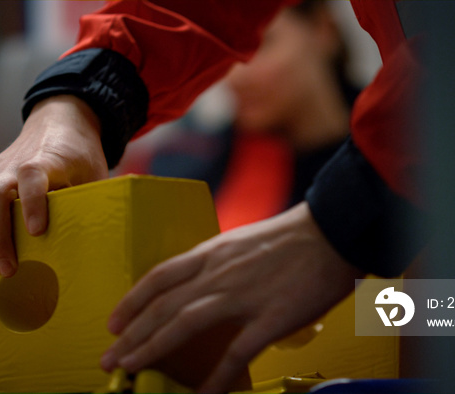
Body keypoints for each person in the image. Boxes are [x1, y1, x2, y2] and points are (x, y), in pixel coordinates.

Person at [0, 1, 425, 392]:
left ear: (323, 31)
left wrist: (344, 224)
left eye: (268, 47)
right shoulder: (190, 164)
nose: (244, 77)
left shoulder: (383, 174)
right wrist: (74, 102)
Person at [121, 0, 360, 232]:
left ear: (323, 29)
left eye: (260, 45)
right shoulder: (182, 169)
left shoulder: (389, 153)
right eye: (230, 53)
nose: (236, 77)